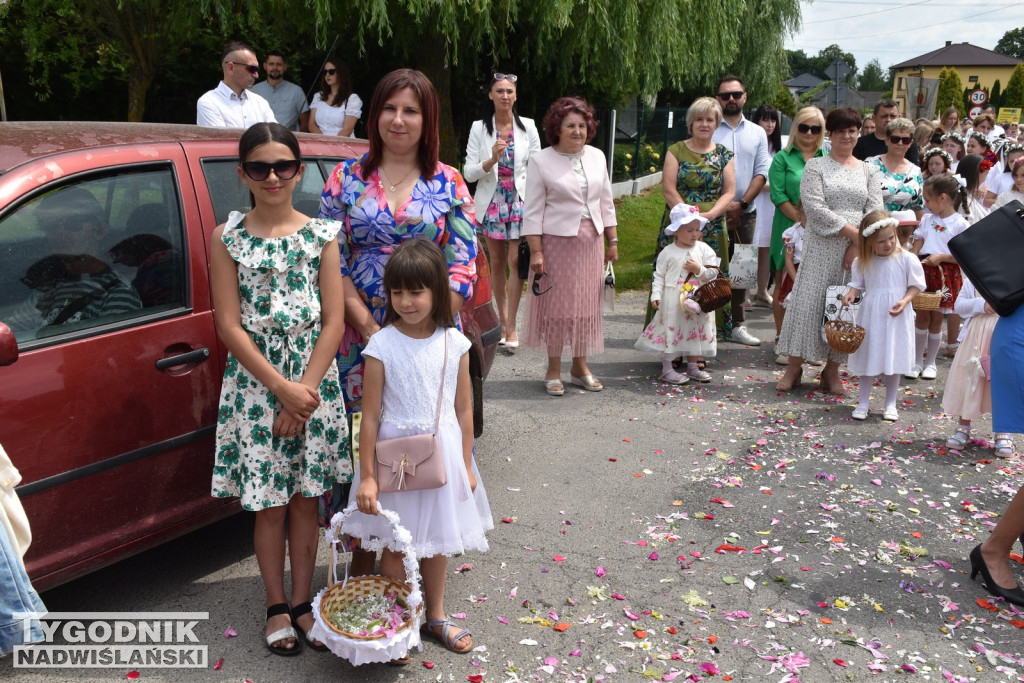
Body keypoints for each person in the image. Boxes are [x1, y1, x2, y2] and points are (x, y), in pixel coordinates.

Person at [209, 123, 347, 655]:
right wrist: (280, 390)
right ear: (243, 173)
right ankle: (274, 605)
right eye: (261, 167)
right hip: (256, 385)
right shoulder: (228, 238)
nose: (273, 176)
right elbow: (229, 325)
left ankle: (303, 602)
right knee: (269, 504)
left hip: (313, 384)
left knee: (307, 502)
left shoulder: (322, 235)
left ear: (297, 171)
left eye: (284, 166)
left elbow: (333, 321)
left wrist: (304, 392)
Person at [351, 239, 492, 661]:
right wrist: (370, 477)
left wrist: (466, 464)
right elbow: (370, 417)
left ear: (436, 290)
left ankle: (435, 614)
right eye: (397, 292)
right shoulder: (382, 345)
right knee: (396, 547)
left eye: (416, 292)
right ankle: (394, 623)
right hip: (394, 461)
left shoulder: (455, 343)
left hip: (442, 455)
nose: (406, 301)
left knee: (438, 542)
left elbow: (464, 410)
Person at [318, 68, 477, 408]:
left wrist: (424, 329)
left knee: (426, 436)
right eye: (390, 108)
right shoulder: (344, 177)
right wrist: (367, 326)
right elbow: (330, 259)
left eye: (411, 111)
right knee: (362, 438)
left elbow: (462, 265)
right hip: (357, 330)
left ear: (428, 119)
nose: (398, 120)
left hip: (429, 333)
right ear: (375, 114)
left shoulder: (449, 183)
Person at [776, 107, 883, 395]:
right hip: (822, 245)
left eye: (852, 131)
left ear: (858, 133)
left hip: (857, 251)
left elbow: (874, 209)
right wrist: (854, 236)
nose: (847, 136)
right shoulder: (816, 166)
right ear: (831, 135)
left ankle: (831, 372)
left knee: (845, 309)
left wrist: (858, 245)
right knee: (807, 304)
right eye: (841, 131)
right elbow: (814, 207)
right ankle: (794, 367)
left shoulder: (869, 170)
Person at [522, 96, 617, 396]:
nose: (577, 131)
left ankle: (580, 367)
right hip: (556, 244)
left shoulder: (597, 156)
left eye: (582, 125)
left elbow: (606, 202)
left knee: (586, 307)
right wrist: (536, 251)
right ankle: (553, 369)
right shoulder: (541, 160)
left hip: (592, 241)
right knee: (558, 308)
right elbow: (533, 211)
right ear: (557, 129)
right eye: (570, 126)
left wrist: (613, 239)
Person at [463, 72, 542, 349]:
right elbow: (469, 173)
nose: (505, 96)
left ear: (516, 95)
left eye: (509, 91)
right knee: (496, 264)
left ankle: (511, 326)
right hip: (492, 203)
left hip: (519, 201)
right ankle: (502, 317)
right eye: (499, 91)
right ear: (491, 95)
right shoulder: (478, 129)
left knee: (514, 262)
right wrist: (491, 160)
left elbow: (538, 168)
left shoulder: (528, 127)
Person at [7, 188, 142, 337]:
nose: (60, 232)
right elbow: (9, 331)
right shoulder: (49, 287)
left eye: (73, 223)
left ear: (100, 231)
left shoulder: (117, 294)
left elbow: (105, 354)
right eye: (51, 225)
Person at [652, 97, 735, 339]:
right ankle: (670, 335)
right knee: (675, 276)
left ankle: (706, 336)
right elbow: (668, 189)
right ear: (691, 122)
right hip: (680, 222)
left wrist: (709, 215)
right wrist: (688, 219)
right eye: (699, 119)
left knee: (708, 278)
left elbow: (729, 191)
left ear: (717, 123)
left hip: (713, 222)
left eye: (710, 119)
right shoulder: (675, 150)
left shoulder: (724, 154)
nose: (704, 124)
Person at [841, 211, 925, 422]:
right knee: (869, 355)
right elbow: (858, 284)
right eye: (881, 241)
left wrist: (905, 301)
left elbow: (916, 285)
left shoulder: (906, 259)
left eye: (891, 238)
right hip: (872, 314)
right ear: (869, 243)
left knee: (893, 357)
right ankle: (863, 401)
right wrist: (851, 293)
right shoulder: (862, 262)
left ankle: (890, 403)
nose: (888, 244)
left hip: (896, 314)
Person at [712, 75, 770, 346]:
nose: (731, 99)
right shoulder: (709, 128)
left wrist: (742, 203)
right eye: (725, 96)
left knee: (742, 269)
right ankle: (708, 324)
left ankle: (738, 324)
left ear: (745, 96)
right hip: (713, 211)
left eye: (736, 94)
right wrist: (721, 207)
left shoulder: (757, 132)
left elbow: (761, 173)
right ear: (718, 99)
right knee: (710, 268)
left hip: (747, 210)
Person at [635, 203, 718, 385]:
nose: (695, 234)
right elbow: (659, 276)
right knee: (672, 330)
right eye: (689, 230)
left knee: (695, 331)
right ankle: (667, 368)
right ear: (676, 231)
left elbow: (714, 272)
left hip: (697, 298)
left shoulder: (704, 250)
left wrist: (699, 269)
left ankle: (693, 366)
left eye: (697, 229)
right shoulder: (668, 252)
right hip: (673, 299)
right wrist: (656, 295)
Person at [768, 107, 827, 353]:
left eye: (816, 128)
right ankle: (782, 338)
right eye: (804, 127)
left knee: (814, 286)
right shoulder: (783, 158)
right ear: (796, 128)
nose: (810, 133)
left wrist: (815, 223)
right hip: (787, 225)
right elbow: (778, 193)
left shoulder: (827, 158)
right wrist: (800, 221)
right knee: (783, 283)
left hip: (820, 229)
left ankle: (807, 341)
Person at [907, 173, 969, 380]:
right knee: (922, 315)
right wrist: (912, 262)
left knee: (936, 319)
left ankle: (930, 361)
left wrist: (941, 257)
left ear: (942, 198)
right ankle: (916, 361)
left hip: (945, 274)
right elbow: (917, 245)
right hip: (925, 271)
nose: (926, 205)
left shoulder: (960, 224)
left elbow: (963, 257)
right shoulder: (926, 219)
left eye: (928, 200)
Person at [942, 276, 1011, 454]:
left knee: (1003, 381)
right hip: (977, 334)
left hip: (1005, 331)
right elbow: (960, 305)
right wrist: (981, 304)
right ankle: (963, 426)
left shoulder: (1015, 276)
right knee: (970, 379)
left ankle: (1003, 431)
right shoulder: (975, 277)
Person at [197, 41, 276, 129]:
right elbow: (220, 142)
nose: (256, 74)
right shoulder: (208, 102)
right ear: (231, 68)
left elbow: (276, 138)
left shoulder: (260, 102)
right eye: (252, 68)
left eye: (257, 69)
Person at [751, 104, 782, 308]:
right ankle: (741, 293)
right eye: (765, 120)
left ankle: (762, 291)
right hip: (754, 202)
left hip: (772, 206)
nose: (769, 124)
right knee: (747, 250)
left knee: (766, 249)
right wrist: (772, 186)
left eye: (772, 120)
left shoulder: (780, 148)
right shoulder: (753, 145)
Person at [866, 117, 925, 219]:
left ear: (910, 143)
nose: (900, 143)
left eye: (905, 140)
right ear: (887, 140)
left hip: (904, 230)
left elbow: (918, 206)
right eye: (895, 139)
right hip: (876, 227)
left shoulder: (916, 170)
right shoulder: (870, 164)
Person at [251, 51, 311, 132]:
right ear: (265, 66)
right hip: (261, 138)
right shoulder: (254, 90)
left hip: (288, 140)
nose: (275, 67)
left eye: (279, 64)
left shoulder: (296, 91)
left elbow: (305, 123)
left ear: (285, 67)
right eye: (271, 64)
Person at [854, 98, 919, 165]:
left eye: (893, 116)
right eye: (884, 116)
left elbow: (914, 169)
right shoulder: (860, 143)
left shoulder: (906, 141)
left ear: (899, 117)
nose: (888, 119)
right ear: (874, 118)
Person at [308, 59, 362, 137]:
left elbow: (347, 130)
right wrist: (323, 142)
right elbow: (311, 125)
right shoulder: (318, 96)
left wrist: (332, 146)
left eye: (331, 71)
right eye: (325, 72)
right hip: (320, 143)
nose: (327, 75)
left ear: (341, 73)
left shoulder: (352, 99)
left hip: (342, 144)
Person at [984, 143, 1024, 208]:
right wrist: (1006, 203)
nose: (1015, 163)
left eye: (1019, 160)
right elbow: (986, 201)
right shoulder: (1000, 178)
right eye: (1011, 161)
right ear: (1006, 161)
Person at [956, 154, 989, 222]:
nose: (986, 177)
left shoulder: (967, 197)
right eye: (986, 174)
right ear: (977, 174)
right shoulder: (964, 201)